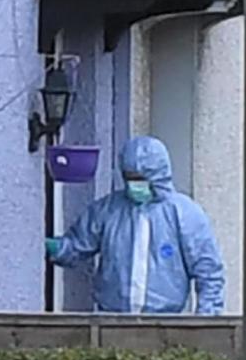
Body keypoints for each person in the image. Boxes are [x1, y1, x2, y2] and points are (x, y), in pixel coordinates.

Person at [46, 135, 224, 315]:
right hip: (112, 322)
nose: (134, 185)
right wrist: (50, 246)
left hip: (166, 324)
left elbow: (208, 271)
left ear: (157, 176)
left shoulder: (185, 214)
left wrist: (205, 320)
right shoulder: (108, 210)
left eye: (140, 178)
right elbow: (77, 245)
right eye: (129, 178)